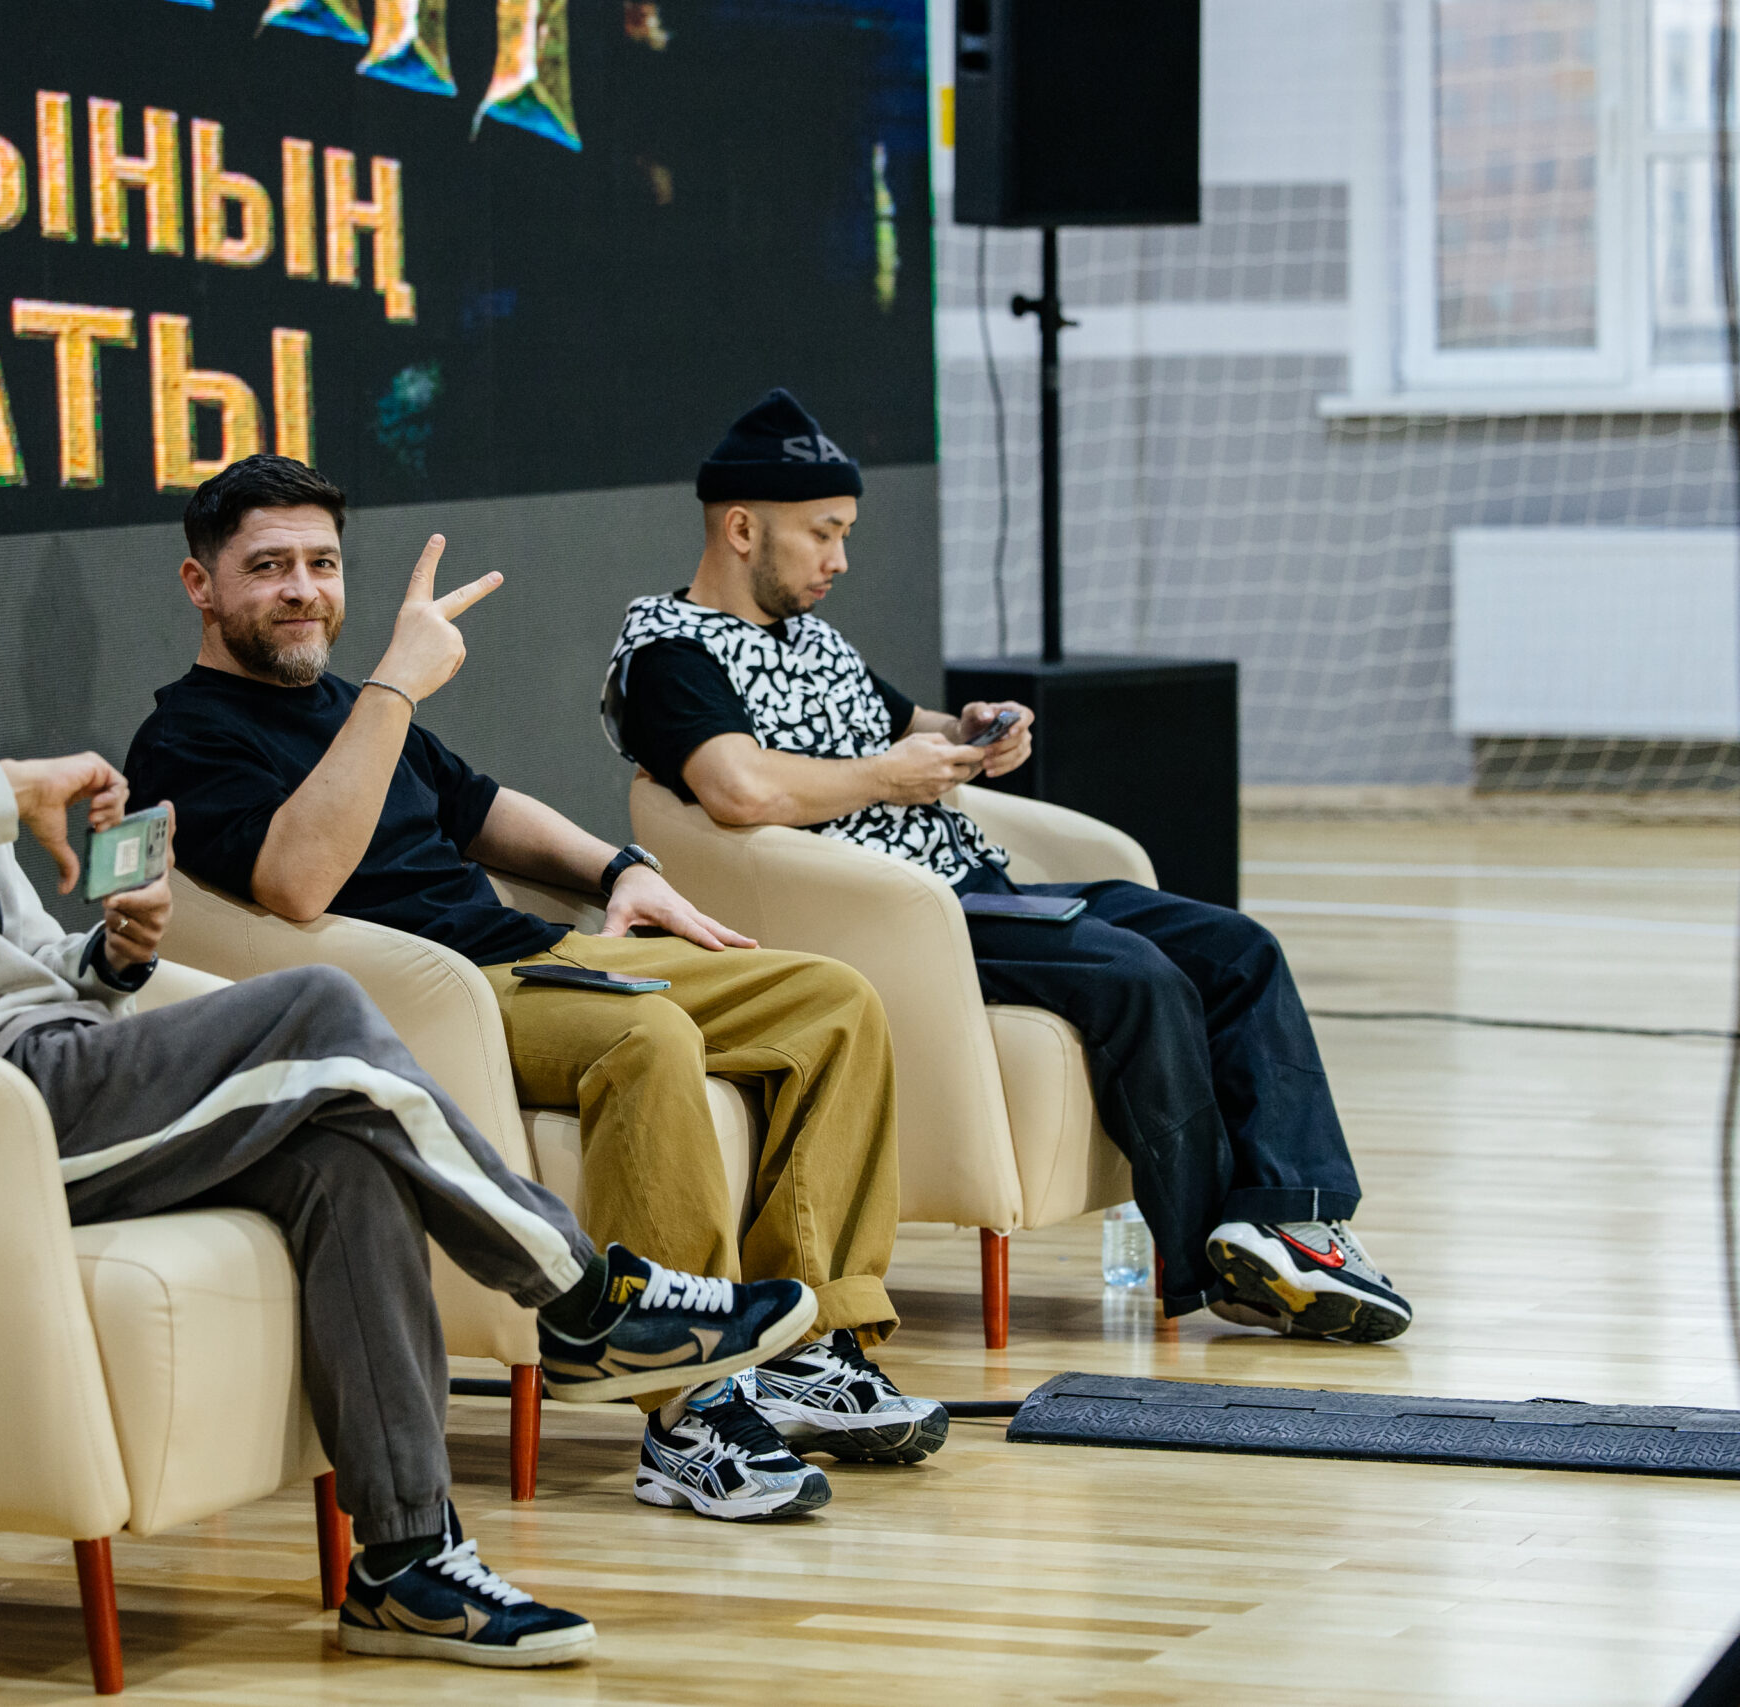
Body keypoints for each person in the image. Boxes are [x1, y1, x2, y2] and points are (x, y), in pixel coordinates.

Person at [0, 374, 827, 1671]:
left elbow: (10, 957)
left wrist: (106, 953)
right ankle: (583, 1293)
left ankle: (408, 1562)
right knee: (322, 1004)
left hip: (45, 1067)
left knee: (342, 1162)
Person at [124, 453, 950, 1526]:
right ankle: (688, 1412)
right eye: (269, 566)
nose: (303, 590)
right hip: (432, 997)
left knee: (831, 1000)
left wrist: (621, 869)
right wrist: (392, 687)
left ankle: (804, 1349)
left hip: (528, 951)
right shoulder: (187, 735)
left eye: (322, 564)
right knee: (647, 1036)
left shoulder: (352, 704)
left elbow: (481, 807)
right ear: (201, 585)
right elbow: (296, 882)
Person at [598, 388, 1412, 1344]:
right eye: (823, 533)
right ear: (742, 529)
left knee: (1237, 947)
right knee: (1136, 974)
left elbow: (911, 726)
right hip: (900, 917)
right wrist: (888, 777)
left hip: (978, 889)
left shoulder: (808, 637)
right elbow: (737, 787)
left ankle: (1289, 1220)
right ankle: (1220, 1264)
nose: (839, 559)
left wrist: (975, 730)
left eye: (845, 533)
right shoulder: (671, 655)